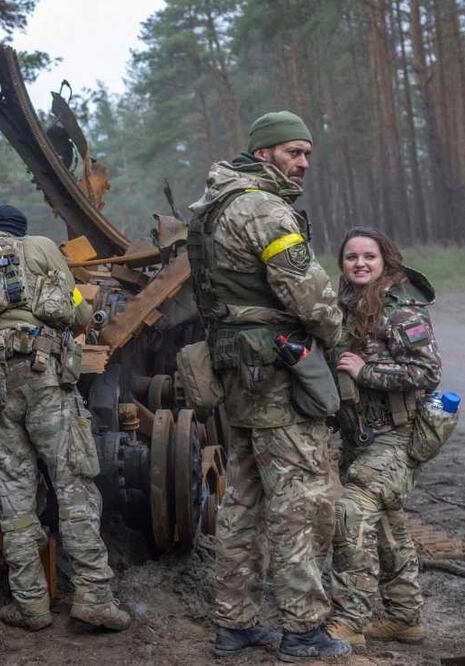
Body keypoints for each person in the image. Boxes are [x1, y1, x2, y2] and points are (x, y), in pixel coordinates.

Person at [187, 111, 350, 661]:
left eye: (306, 155)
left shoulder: (213, 206)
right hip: (278, 378)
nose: (303, 163)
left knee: (244, 502)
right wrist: (337, 333)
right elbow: (310, 296)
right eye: (293, 153)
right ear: (263, 154)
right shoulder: (262, 208)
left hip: (238, 375)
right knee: (301, 503)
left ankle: (234, 624)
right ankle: (303, 630)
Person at [0, 205, 130, 633]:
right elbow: (78, 313)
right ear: (21, 231)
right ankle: (94, 597)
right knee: (74, 485)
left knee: (14, 502)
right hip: (45, 378)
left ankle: (31, 606)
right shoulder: (42, 249)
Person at [327, 228, 442, 648]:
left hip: (397, 436)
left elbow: (427, 373)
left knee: (352, 513)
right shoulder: (346, 305)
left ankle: (350, 621)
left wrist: (365, 372)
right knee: (389, 526)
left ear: (385, 261)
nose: (360, 263)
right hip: (360, 436)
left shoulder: (402, 309)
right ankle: (404, 617)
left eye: (369, 257)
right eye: (351, 257)